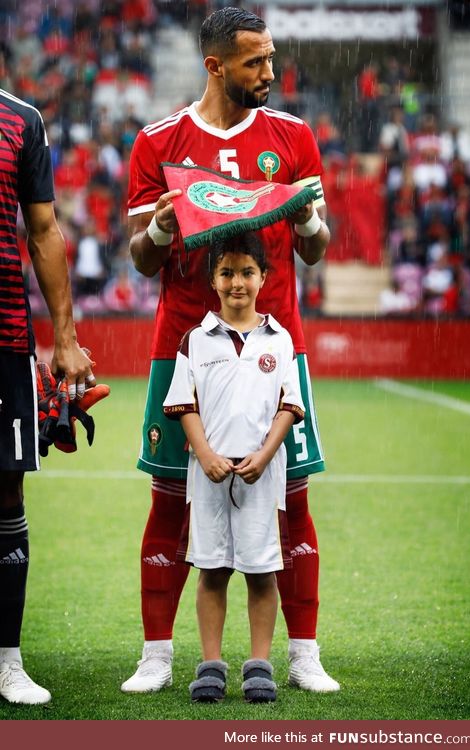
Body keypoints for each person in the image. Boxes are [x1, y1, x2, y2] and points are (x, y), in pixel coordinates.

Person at [122, 6, 340, 695]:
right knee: (169, 502)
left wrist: (306, 216)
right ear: (216, 67)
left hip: (276, 347)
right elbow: (141, 261)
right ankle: (157, 655)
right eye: (256, 63)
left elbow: (315, 250)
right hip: (184, 347)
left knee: (291, 503)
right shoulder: (159, 141)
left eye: (271, 59)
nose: (270, 73)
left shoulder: (293, 137)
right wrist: (159, 228)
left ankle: (302, 652)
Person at [164, 234, 305, 703]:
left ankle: (259, 664)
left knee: (262, 570)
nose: (237, 282)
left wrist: (264, 456)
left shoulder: (280, 339)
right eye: (226, 273)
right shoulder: (196, 339)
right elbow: (184, 404)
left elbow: (289, 404)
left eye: (247, 272)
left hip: (263, 473)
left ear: (264, 278)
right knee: (212, 569)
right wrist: (204, 455)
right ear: (213, 280)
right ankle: (210, 665)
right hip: (208, 473)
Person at [0, 88, 93, 704]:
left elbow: (43, 229)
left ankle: (7, 661)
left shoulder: (22, 118)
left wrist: (65, 339)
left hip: (4, 332)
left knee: (5, 488)